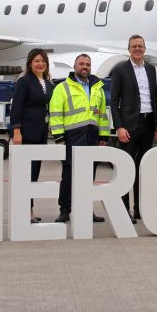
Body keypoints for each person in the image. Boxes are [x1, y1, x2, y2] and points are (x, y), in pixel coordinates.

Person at [50, 54, 109, 223]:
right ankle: (64, 210)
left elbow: (102, 113)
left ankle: (86, 210)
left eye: (88, 64)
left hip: (92, 136)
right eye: (81, 64)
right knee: (68, 174)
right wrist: (59, 137)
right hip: (71, 136)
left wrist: (103, 135)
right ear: (75, 66)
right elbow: (55, 113)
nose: (85, 67)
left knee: (89, 174)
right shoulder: (62, 87)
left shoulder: (98, 88)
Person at [110, 35, 157, 224]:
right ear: (129, 49)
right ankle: (124, 210)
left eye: (140, 46)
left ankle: (140, 208)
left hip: (148, 124)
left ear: (145, 49)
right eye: (134, 46)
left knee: (143, 167)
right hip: (129, 126)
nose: (138, 49)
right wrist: (119, 127)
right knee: (127, 168)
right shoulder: (120, 70)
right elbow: (114, 102)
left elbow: (153, 97)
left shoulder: (151, 69)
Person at [11, 48, 55, 223]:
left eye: (43, 61)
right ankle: (26, 211)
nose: (40, 64)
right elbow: (17, 107)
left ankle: (29, 209)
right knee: (26, 174)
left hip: (41, 134)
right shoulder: (24, 81)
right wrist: (16, 130)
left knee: (35, 173)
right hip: (27, 133)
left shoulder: (48, 83)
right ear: (30, 63)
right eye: (36, 61)